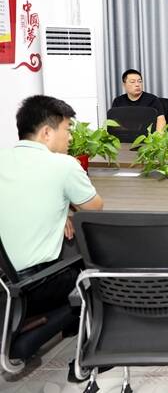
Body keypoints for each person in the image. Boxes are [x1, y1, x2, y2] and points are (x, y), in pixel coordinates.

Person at [0, 95, 104, 327]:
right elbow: (94, 208)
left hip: (5, 284)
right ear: (47, 132)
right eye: (67, 129)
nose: (70, 137)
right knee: (95, 268)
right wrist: (66, 206)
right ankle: (87, 341)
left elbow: (20, 196)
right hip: (34, 286)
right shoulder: (63, 164)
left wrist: (61, 210)